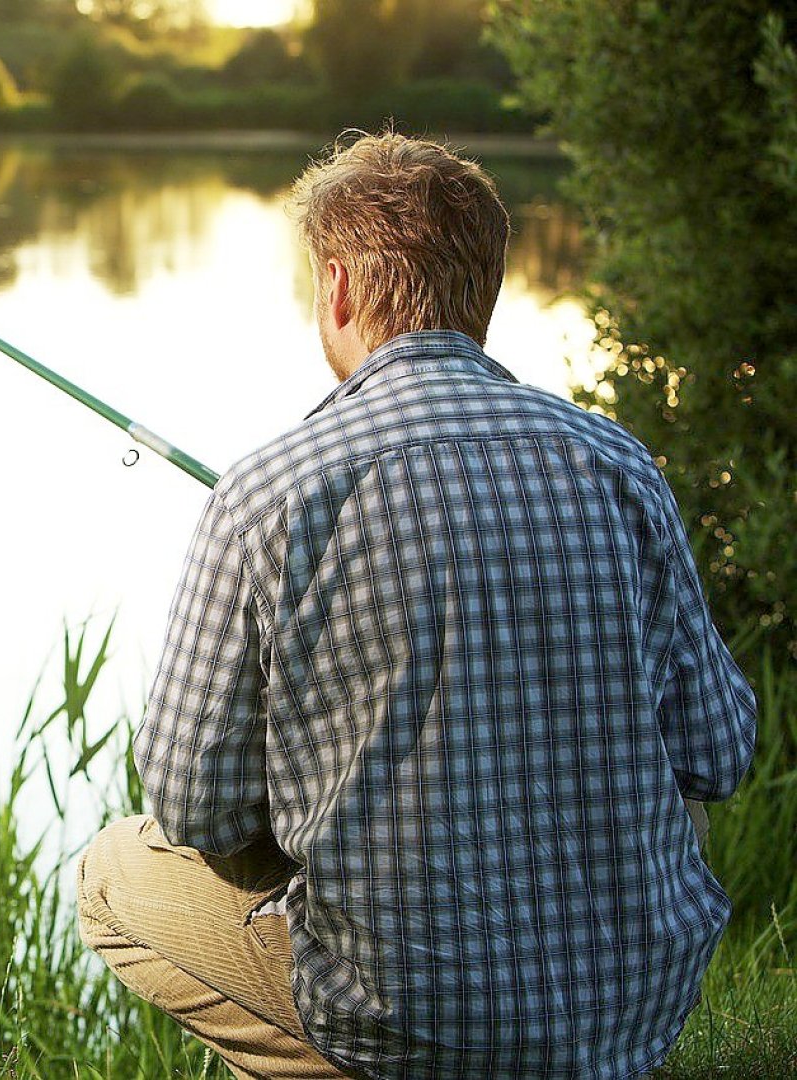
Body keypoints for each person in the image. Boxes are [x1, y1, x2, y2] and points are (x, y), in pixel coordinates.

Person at [76, 133, 758, 1079]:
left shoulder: (268, 491)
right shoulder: (618, 465)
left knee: (113, 874)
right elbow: (718, 750)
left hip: (403, 1015)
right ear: (485, 293)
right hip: (631, 1014)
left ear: (341, 289)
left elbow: (193, 803)